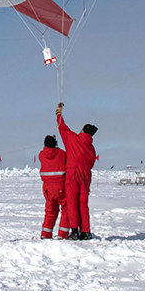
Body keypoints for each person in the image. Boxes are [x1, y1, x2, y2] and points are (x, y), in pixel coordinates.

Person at [56, 103, 97, 240]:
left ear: (83, 130)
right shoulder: (91, 148)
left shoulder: (73, 139)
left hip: (73, 174)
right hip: (85, 175)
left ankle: (74, 231)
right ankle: (85, 231)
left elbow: (62, 128)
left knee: (72, 202)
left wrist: (59, 114)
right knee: (83, 203)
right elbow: (91, 163)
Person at [39, 134, 69, 239]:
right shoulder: (61, 153)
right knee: (66, 209)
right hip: (60, 186)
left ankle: (45, 234)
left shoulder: (41, 155)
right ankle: (63, 233)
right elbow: (63, 156)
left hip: (47, 189)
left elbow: (47, 153)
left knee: (50, 211)